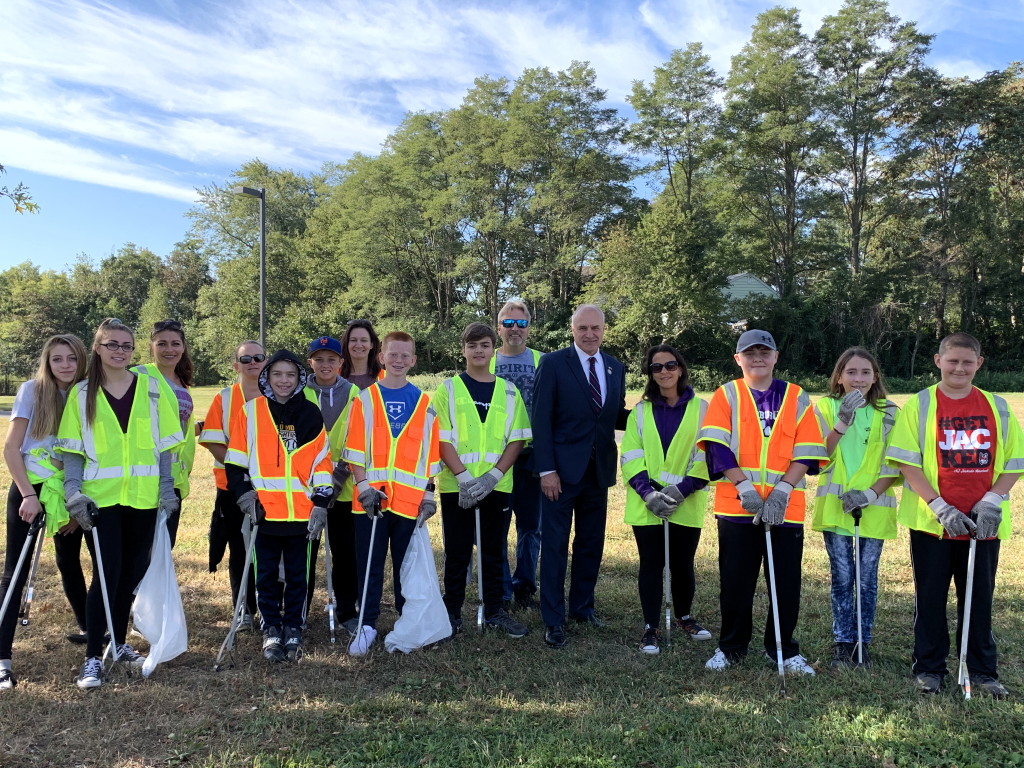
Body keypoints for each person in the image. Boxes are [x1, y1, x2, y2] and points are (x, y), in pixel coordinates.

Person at [886, 332, 1024, 697]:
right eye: (952, 361)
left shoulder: (998, 406)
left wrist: (994, 499)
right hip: (933, 523)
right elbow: (907, 463)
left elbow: (1015, 460)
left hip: (984, 524)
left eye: (967, 362)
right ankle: (929, 667)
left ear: (979, 363)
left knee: (978, 598)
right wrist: (938, 505)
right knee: (930, 598)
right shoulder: (919, 405)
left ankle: (982, 671)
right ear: (938, 361)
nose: (959, 368)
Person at [56, 318, 184, 689]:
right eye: (112, 345)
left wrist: (166, 489)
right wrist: (73, 492)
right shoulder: (82, 394)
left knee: (131, 575)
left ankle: (120, 641)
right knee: (107, 575)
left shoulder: (154, 390)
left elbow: (164, 448)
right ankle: (93, 656)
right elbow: (73, 452)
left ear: (133, 350)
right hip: (101, 500)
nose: (119, 351)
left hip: (143, 499)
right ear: (97, 348)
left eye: (126, 346)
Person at [697, 329, 825, 675]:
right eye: (749, 353)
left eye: (764, 352)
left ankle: (783, 649)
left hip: (786, 508)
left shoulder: (796, 396)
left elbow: (808, 448)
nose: (758, 358)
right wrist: (744, 487)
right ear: (738, 359)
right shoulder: (727, 395)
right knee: (735, 582)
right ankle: (731, 647)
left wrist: (783, 490)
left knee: (785, 583)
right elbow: (717, 445)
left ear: (775, 356)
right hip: (738, 506)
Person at [224, 349, 333, 663]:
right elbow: (235, 463)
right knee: (266, 575)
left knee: (300, 576)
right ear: (266, 378)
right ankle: (271, 626)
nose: (284, 381)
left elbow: (322, 463)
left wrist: (321, 504)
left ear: (300, 379)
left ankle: (294, 627)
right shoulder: (251, 412)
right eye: (277, 375)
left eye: (290, 375)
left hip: (303, 514)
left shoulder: (311, 414)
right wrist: (246, 498)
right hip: (265, 513)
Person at [531, 304, 629, 649]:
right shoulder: (554, 363)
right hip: (559, 475)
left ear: (604, 330)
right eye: (583, 328)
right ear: (572, 330)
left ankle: (583, 608)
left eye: (596, 328)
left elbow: (614, 416)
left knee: (591, 544)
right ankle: (553, 619)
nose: (590, 334)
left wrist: (658, 412)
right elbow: (540, 420)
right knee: (555, 547)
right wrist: (547, 470)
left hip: (598, 472)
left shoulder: (615, 367)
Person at [342, 331, 440, 656]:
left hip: (409, 503)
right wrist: (363, 488)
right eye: (392, 355)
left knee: (405, 566)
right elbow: (355, 450)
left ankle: (406, 621)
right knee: (368, 565)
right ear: (381, 357)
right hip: (372, 502)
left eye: (405, 356)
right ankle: (366, 624)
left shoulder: (425, 404)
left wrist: (428, 495)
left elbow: (429, 456)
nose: (398, 361)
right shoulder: (365, 399)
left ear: (413, 360)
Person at [1, 335, 89, 690]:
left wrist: (71, 505)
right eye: (57, 359)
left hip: (67, 491)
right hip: (31, 492)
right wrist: (28, 495)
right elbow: (11, 449)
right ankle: (3, 659)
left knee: (70, 560)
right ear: (47, 363)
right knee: (15, 572)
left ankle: (89, 628)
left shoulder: (85, 394)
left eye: (71, 358)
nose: (65, 365)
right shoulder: (31, 391)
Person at [435, 322, 531, 638]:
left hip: (497, 486)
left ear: (493, 349)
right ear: (463, 350)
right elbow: (440, 439)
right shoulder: (447, 389)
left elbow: (516, 439)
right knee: (457, 550)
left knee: (494, 549)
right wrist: (463, 477)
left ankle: (494, 611)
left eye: (485, 345)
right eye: (473, 345)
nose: (479, 351)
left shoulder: (508, 391)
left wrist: (492, 476)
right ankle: (451, 613)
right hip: (456, 486)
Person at [620, 345, 711, 655]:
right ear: (650, 375)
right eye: (656, 368)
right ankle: (650, 627)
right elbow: (631, 456)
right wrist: (648, 493)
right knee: (651, 564)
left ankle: (685, 617)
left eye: (670, 365)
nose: (664, 371)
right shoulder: (641, 412)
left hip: (686, 501)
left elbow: (708, 455)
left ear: (681, 368)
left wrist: (681, 490)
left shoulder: (702, 409)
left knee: (683, 563)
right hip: (647, 504)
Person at [811, 348, 899, 668]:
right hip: (835, 508)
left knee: (866, 579)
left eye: (865, 372)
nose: (858, 378)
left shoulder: (890, 411)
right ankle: (842, 641)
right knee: (842, 576)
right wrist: (842, 422)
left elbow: (896, 464)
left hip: (873, 508)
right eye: (851, 372)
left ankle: (863, 641)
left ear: (875, 377)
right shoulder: (824, 407)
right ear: (839, 376)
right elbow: (817, 457)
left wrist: (870, 495)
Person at [199, 341, 266, 627]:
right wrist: (245, 469)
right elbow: (213, 441)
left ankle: (269, 607)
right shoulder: (225, 398)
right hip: (233, 487)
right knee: (240, 549)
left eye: (258, 357)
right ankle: (243, 608)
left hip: (272, 487)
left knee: (268, 549)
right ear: (236, 365)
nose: (253, 362)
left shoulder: (278, 394)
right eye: (246, 358)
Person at [490, 300, 545, 610]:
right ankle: (501, 587)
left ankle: (525, 585)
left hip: (533, 456)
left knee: (531, 525)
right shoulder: (488, 361)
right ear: (499, 328)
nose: (515, 328)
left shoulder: (543, 361)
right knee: (498, 524)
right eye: (509, 323)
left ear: (528, 328)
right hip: (496, 458)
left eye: (521, 324)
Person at [304, 335, 358, 631]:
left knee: (345, 554)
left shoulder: (355, 394)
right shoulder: (300, 393)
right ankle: (299, 611)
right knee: (306, 553)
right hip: (306, 490)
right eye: (319, 359)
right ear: (310, 362)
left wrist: (335, 481)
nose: (325, 364)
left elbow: (358, 440)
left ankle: (347, 612)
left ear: (341, 362)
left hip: (345, 490)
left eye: (332, 359)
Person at [132, 319, 196, 546]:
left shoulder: (181, 381)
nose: (170, 349)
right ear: (151, 347)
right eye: (162, 344)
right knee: (144, 548)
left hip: (175, 477)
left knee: (165, 545)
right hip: (148, 475)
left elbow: (177, 426)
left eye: (175, 343)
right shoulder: (137, 376)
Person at [340, 320, 383, 390]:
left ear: (371, 344)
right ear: (347, 344)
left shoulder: (384, 377)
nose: (359, 345)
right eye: (353, 340)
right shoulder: (335, 375)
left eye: (364, 340)